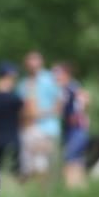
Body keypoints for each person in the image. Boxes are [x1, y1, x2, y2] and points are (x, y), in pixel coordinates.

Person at [17, 51, 61, 181]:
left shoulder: (50, 80)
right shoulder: (22, 84)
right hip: (28, 128)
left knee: (42, 166)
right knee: (29, 167)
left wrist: (39, 114)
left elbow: (59, 105)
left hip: (46, 128)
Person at [53, 62, 90, 189]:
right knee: (77, 161)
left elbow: (85, 99)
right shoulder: (74, 87)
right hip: (74, 130)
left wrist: (80, 115)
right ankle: (81, 190)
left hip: (76, 130)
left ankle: (73, 189)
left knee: (69, 160)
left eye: (59, 75)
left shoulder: (69, 89)